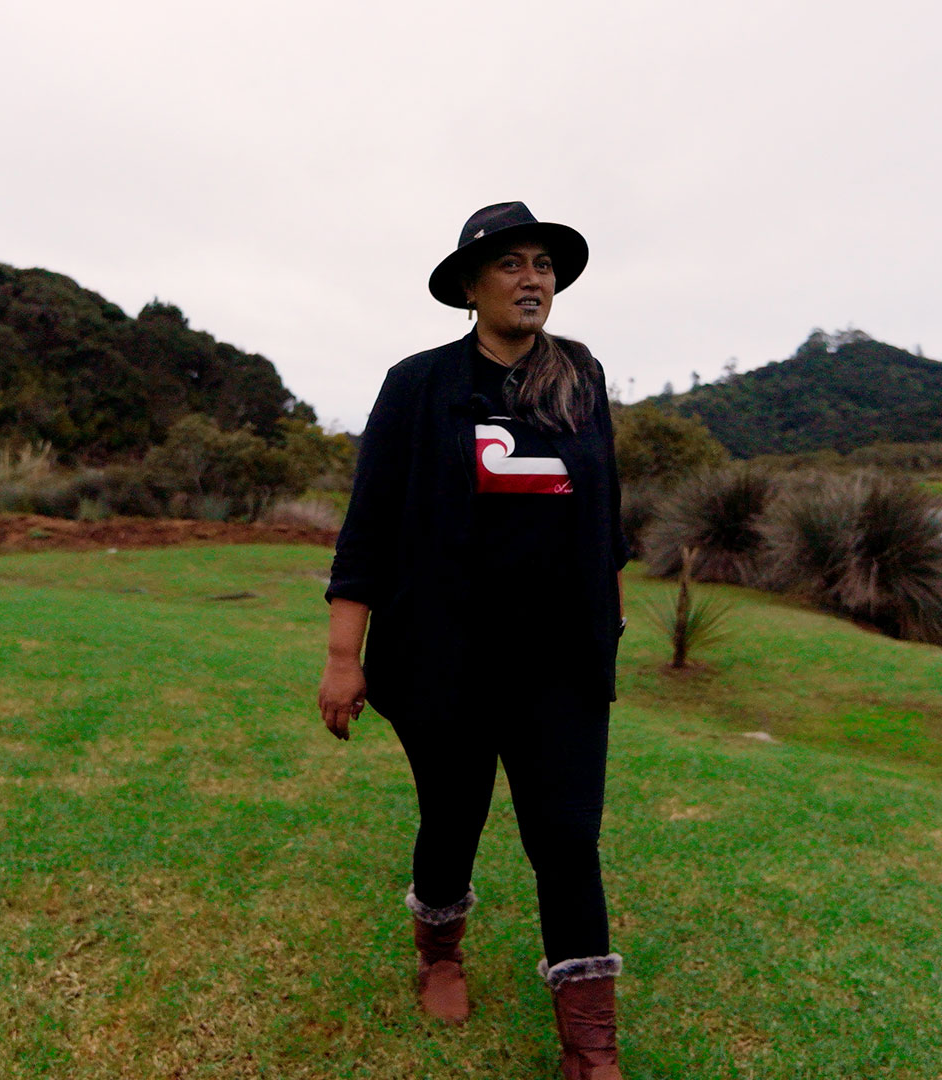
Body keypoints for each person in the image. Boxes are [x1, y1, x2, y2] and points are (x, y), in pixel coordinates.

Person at [317, 201, 629, 1079]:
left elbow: (605, 516)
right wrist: (345, 657)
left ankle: (589, 1047)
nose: (534, 279)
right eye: (512, 265)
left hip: (559, 661)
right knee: (452, 819)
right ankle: (440, 956)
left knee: (567, 838)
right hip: (442, 656)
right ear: (469, 286)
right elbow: (368, 525)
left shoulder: (581, 377)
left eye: (545, 265)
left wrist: (607, 627)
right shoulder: (419, 385)